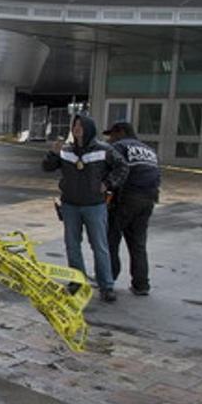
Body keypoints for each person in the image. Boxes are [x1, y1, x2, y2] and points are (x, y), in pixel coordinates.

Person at [42, 113, 128, 303]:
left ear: (88, 128)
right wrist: (53, 153)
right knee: (72, 245)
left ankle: (106, 286)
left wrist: (108, 183)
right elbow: (47, 167)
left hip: (94, 205)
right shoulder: (66, 150)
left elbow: (122, 167)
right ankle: (77, 281)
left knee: (99, 246)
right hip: (70, 205)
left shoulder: (103, 149)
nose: (77, 128)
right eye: (75, 125)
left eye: (81, 125)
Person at [103, 121, 160, 296]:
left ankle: (108, 279)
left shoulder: (120, 147)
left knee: (111, 239)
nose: (110, 139)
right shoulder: (148, 150)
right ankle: (141, 284)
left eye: (111, 135)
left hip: (126, 198)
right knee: (138, 243)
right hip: (148, 199)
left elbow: (113, 171)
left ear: (120, 132)